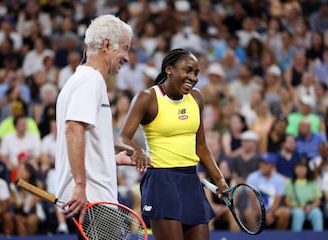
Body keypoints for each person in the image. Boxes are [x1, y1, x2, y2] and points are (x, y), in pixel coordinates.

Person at [116, 48, 229, 240]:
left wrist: (219, 179)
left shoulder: (196, 98)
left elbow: (200, 146)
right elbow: (122, 138)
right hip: (161, 181)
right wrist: (137, 151)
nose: (192, 77)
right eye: (187, 70)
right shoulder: (148, 98)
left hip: (191, 180)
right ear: (169, 69)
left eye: (196, 73)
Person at [54, 14, 134, 225]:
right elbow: (73, 130)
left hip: (90, 199)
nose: (127, 57)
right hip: (93, 201)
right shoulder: (91, 80)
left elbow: (81, 134)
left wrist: (110, 158)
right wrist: (80, 184)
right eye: (125, 48)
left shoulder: (79, 80)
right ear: (107, 44)